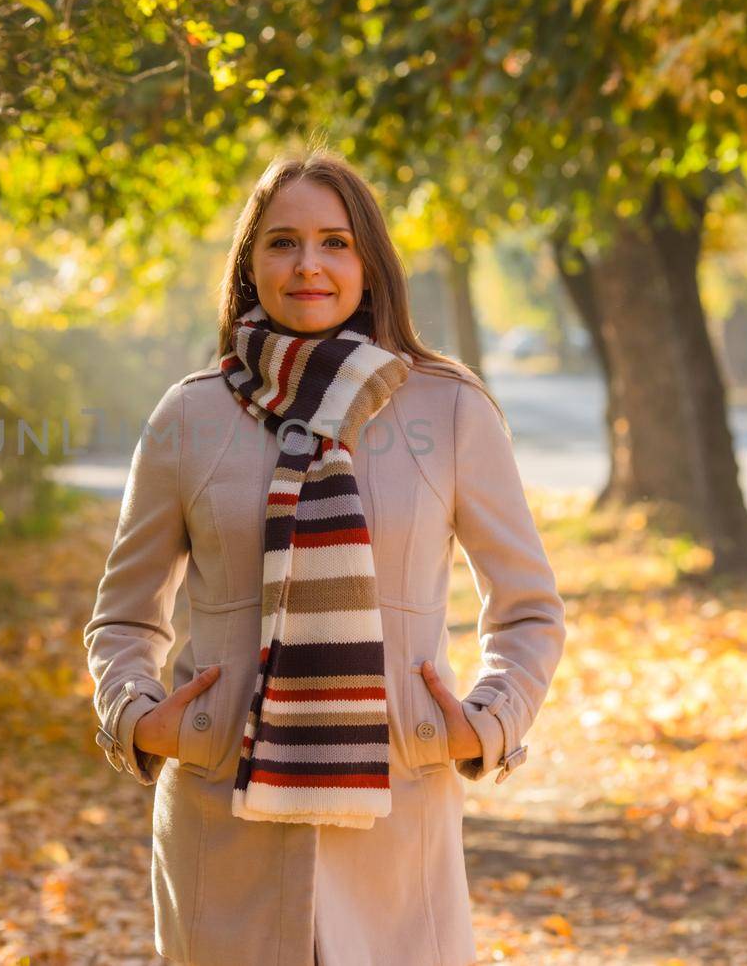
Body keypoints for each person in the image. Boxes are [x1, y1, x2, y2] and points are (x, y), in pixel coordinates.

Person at [82, 149, 567, 966]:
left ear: (369, 263)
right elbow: (125, 614)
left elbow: (528, 610)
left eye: (334, 242)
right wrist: (139, 713)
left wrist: (485, 722)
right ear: (250, 264)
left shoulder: (450, 408)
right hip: (220, 814)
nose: (309, 264)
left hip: (398, 815)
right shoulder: (190, 416)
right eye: (282, 242)